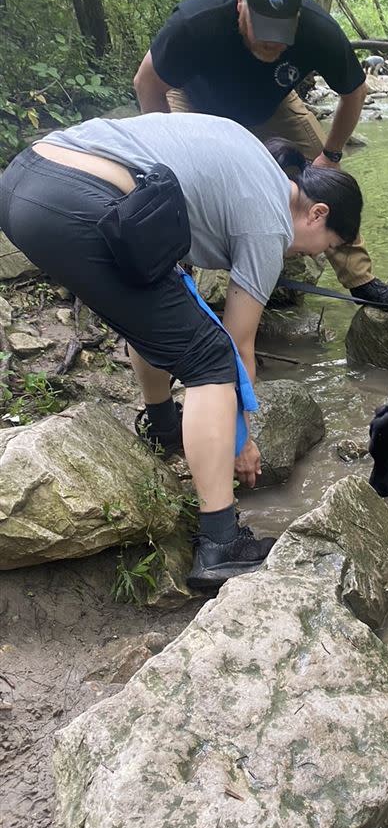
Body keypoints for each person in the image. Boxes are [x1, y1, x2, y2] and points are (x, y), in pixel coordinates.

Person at [0, 112, 363, 590]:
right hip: (79, 200)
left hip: (23, 180)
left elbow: (168, 285)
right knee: (210, 359)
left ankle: (165, 429)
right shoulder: (271, 221)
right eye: (325, 246)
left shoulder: (251, 164)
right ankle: (221, 543)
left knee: (158, 311)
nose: (314, 255)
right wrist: (242, 439)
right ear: (317, 213)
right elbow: (237, 344)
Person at [133, 0, 388, 307]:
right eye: (262, 30)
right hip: (196, 103)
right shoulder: (196, 21)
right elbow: (146, 82)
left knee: (326, 184)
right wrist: (169, 151)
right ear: (240, 1)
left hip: (271, 104)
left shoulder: (318, 29)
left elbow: (354, 92)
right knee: (177, 186)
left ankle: (360, 279)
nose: (272, 42)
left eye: (282, 33)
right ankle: (176, 277)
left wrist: (332, 155)